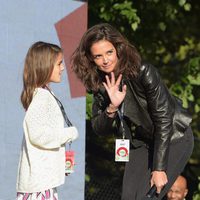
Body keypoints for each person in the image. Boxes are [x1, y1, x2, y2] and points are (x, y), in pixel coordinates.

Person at [71, 23, 194, 200]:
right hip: (142, 140)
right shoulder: (98, 83)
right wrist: (112, 107)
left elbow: (163, 119)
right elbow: (99, 128)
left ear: (118, 49)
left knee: (148, 196)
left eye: (109, 52)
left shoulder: (143, 71)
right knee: (129, 196)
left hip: (174, 136)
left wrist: (159, 169)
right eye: (98, 56)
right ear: (90, 59)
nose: (105, 60)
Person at [16, 41, 79, 200]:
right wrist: (69, 133)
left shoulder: (44, 93)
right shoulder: (42, 97)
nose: (63, 68)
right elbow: (38, 135)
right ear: (45, 66)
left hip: (42, 183)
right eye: (59, 64)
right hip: (39, 186)